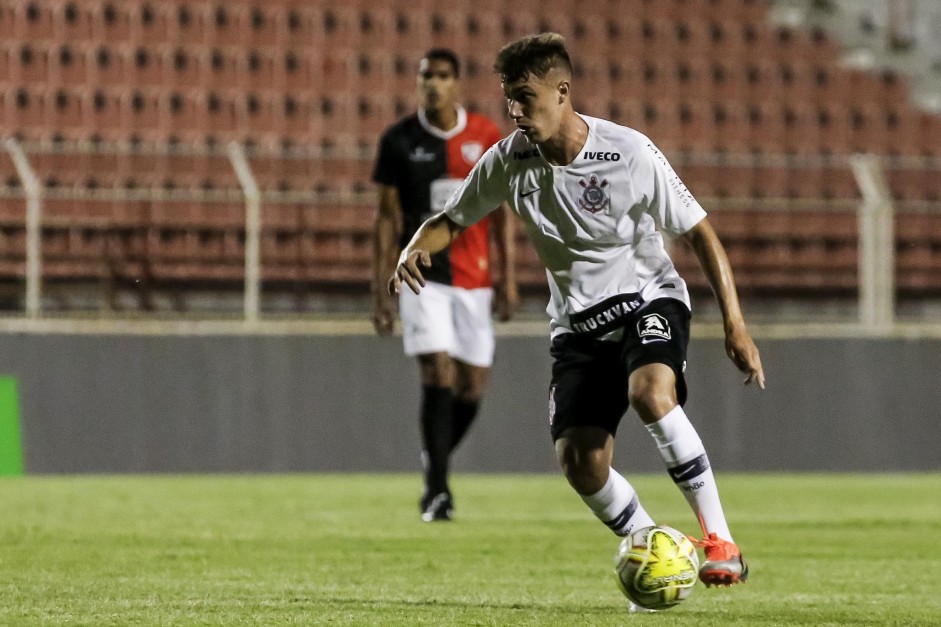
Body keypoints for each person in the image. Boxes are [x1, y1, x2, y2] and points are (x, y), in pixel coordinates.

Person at [389, 32, 765, 591]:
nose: (515, 110)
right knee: (580, 463)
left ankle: (720, 542)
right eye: (507, 98)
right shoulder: (508, 160)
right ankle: (653, 546)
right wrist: (415, 246)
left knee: (650, 394)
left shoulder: (629, 152)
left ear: (562, 91)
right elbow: (452, 218)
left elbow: (701, 233)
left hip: (647, 301)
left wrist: (734, 324)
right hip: (578, 327)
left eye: (525, 96)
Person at [372, 48, 519, 523]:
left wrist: (509, 278)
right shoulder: (398, 141)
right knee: (437, 372)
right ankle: (438, 490)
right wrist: (380, 292)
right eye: (425, 77)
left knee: (472, 387)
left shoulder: (484, 136)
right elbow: (387, 221)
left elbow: (501, 216)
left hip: (475, 279)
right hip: (422, 277)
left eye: (441, 76)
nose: (432, 84)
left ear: (457, 83)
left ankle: (433, 463)